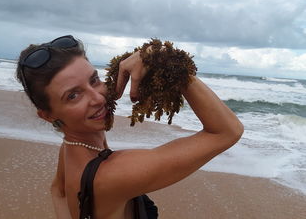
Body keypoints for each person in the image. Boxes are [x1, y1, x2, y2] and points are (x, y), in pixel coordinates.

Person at [16, 35, 244, 219]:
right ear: (47, 115)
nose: (97, 98)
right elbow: (227, 131)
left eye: (94, 80)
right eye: (73, 95)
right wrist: (165, 59)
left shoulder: (70, 149)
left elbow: (58, 191)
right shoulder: (111, 175)